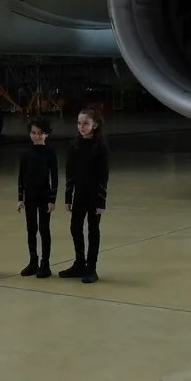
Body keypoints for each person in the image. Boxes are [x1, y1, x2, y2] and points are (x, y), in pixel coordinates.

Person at [59, 108, 109, 284]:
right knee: (75, 227)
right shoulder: (75, 145)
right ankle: (79, 262)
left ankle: (91, 267)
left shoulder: (100, 147)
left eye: (86, 123)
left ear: (95, 125)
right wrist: (68, 196)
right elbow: (70, 172)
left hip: (94, 195)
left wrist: (101, 200)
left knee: (93, 230)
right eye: (79, 123)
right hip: (79, 194)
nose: (82, 127)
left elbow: (103, 176)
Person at [17, 117, 59, 278]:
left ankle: (45, 263)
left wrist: (52, 199)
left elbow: (54, 177)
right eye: (33, 133)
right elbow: (21, 177)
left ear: (46, 134)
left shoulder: (50, 152)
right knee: (31, 229)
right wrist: (20, 198)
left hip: (44, 196)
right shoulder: (26, 153)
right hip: (30, 197)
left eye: (40, 133)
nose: (36, 136)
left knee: (44, 229)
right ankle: (33, 261)